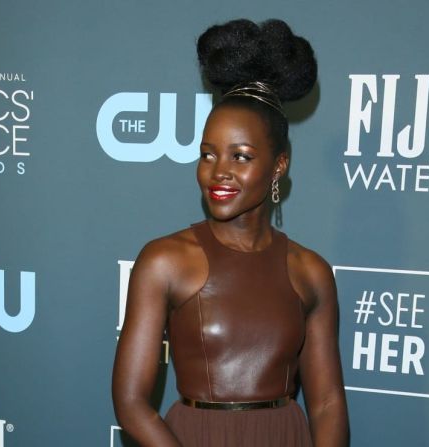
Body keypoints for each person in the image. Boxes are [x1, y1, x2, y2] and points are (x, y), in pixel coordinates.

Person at [112, 18, 349, 447]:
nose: (219, 171)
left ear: (278, 166)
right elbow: (130, 403)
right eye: (208, 154)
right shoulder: (165, 261)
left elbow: (328, 403)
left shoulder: (310, 272)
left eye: (241, 156)